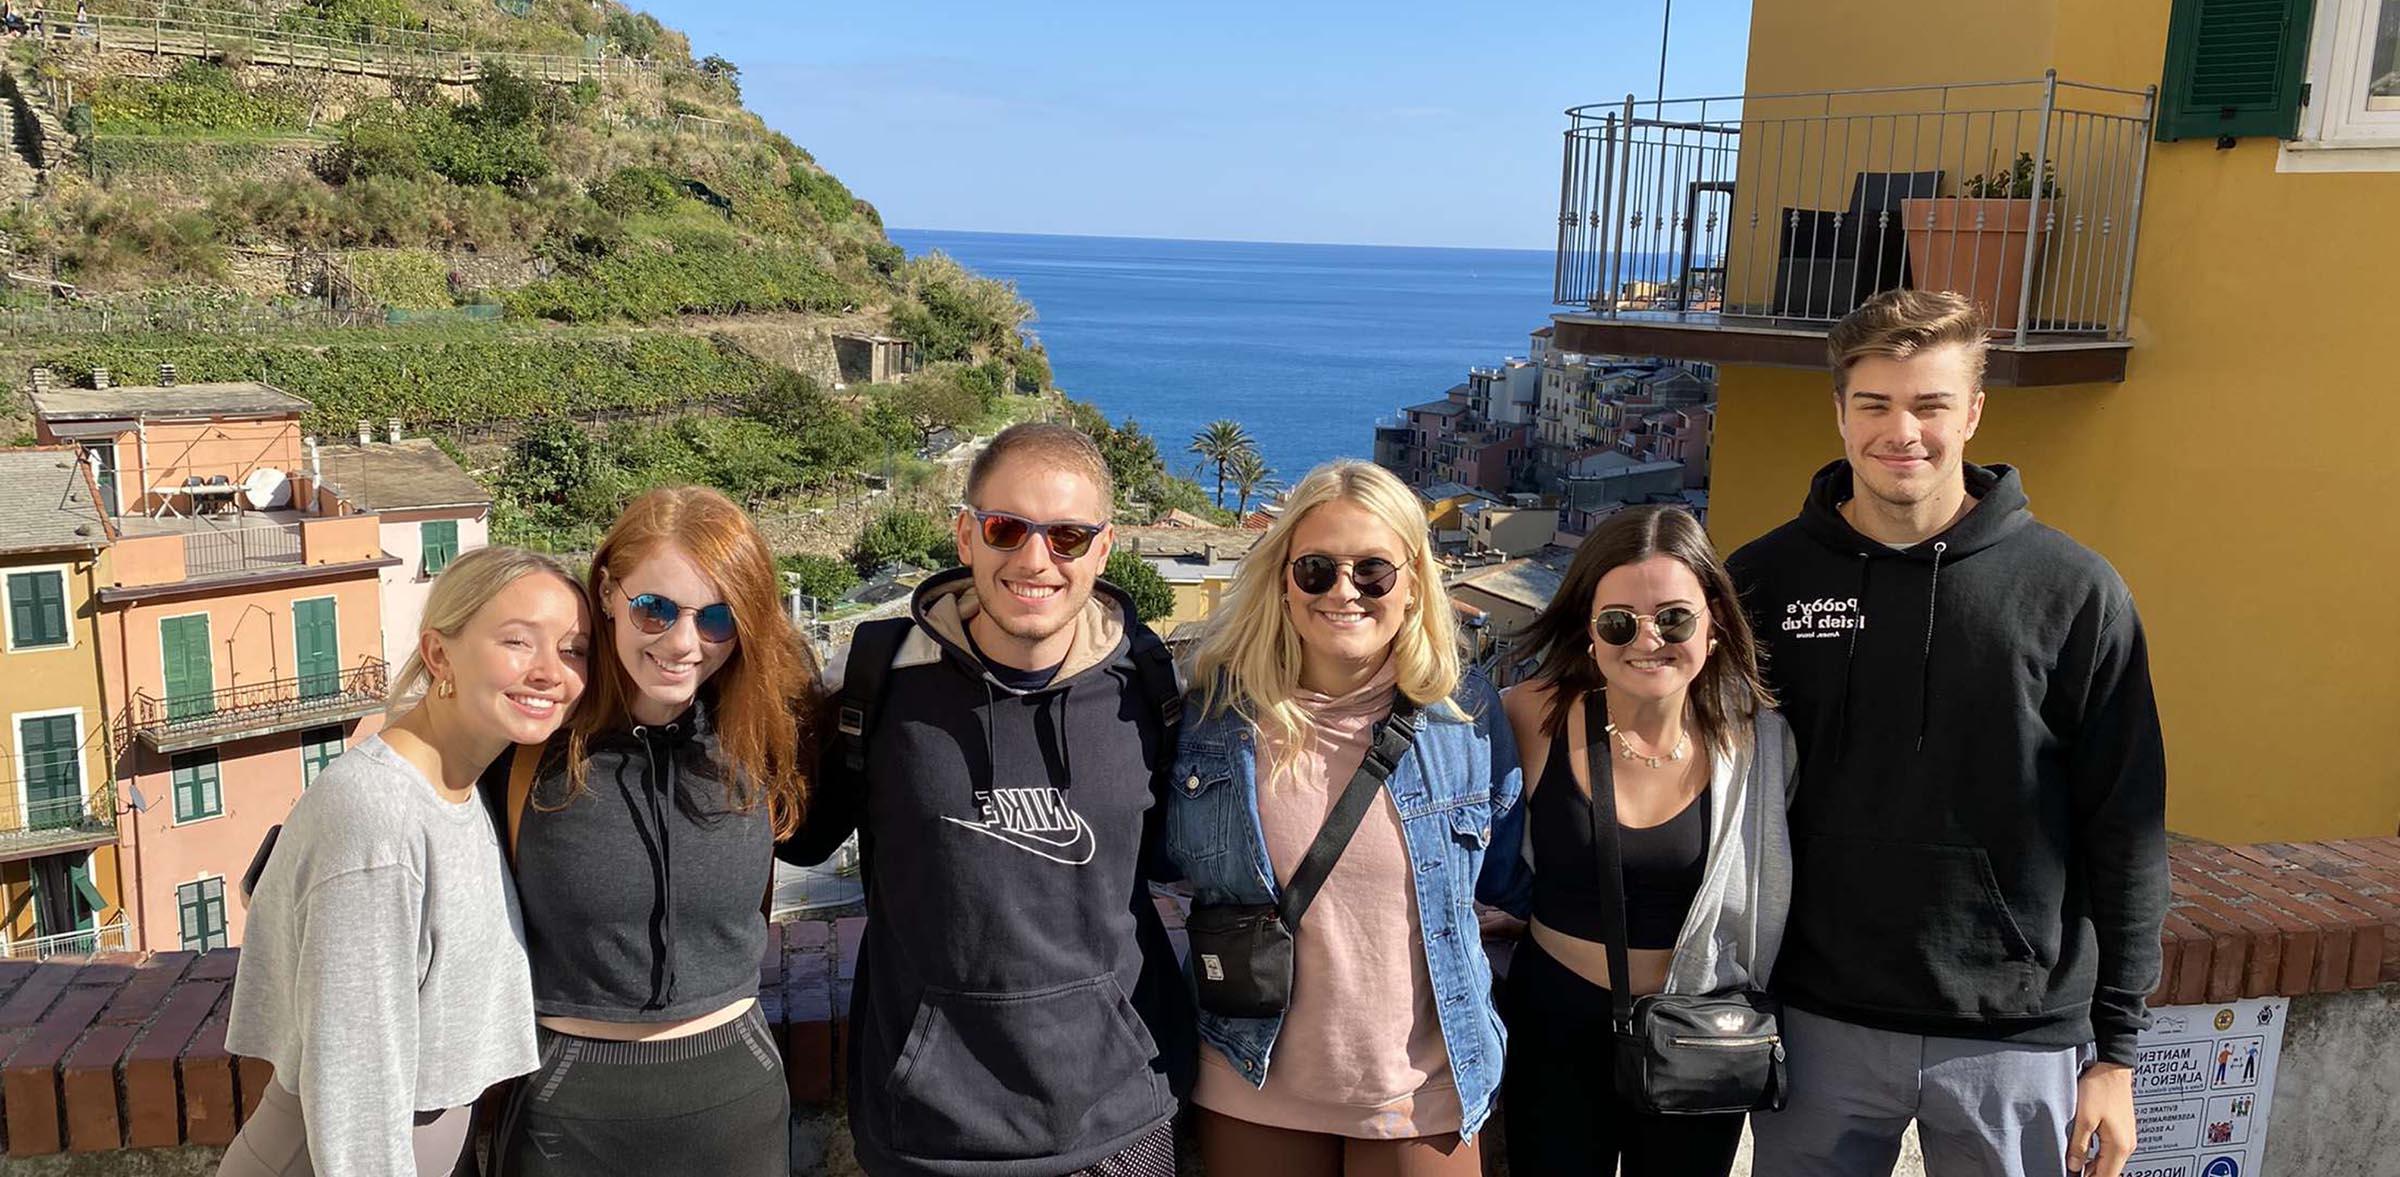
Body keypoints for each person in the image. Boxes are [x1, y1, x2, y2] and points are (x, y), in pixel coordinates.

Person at [1730, 289, 2168, 1177]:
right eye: (1876, 404)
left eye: (1930, 405)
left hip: (2014, 1031)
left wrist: (2117, 1055)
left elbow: (2127, 826)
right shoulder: (1762, 581)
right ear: (1840, 412)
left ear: (1971, 411)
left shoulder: (2073, 590)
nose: (1904, 432)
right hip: (1816, 1021)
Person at [782, 422, 1193, 1177]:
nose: (1034, 559)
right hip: (928, 1131)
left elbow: (1198, 855)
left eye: (1068, 536)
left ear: (1104, 550)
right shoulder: (881, 681)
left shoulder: (1150, 690)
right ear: (965, 535)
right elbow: (796, 835)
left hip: (1119, 1117)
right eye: (1007, 529)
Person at [1162, 459, 1519, 1176]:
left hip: (1420, 1088)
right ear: (1284, 577)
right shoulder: (1212, 716)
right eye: (1317, 569)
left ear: (1414, 581)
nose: (1343, 591)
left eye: (1373, 570)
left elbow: (1503, 874)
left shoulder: (1466, 718)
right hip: (1252, 1078)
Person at [223, 547, 590, 1176]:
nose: (550, 672)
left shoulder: (458, 782)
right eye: (517, 641)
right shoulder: (379, 817)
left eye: (574, 649)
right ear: (440, 654)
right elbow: (353, 1078)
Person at [493, 486, 816, 1176]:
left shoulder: (765, 733)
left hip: (736, 1103)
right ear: (610, 592)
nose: (682, 643)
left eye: (718, 619)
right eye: (655, 609)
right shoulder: (530, 740)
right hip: (567, 1108)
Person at [1480, 504, 1791, 1175]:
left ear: (1712, 623)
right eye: (1620, 622)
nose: (1648, 639)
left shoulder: (1757, 742)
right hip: (1555, 1025)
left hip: (1697, 1033)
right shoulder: (1530, 715)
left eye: (1674, 618)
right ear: (1590, 631)